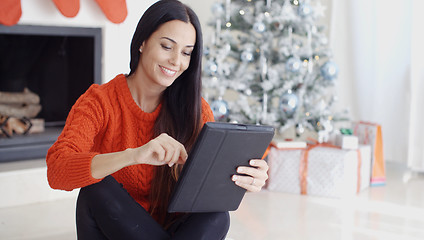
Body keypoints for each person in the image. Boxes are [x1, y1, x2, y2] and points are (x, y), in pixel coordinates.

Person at [46, 0, 269, 239]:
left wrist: (244, 178)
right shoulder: (99, 101)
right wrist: (134, 155)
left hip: (173, 230)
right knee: (96, 188)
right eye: (166, 46)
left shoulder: (196, 109)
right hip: (115, 228)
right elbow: (57, 170)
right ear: (142, 42)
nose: (176, 61)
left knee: (217, 215)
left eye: (186, 52)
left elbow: (203, 192)